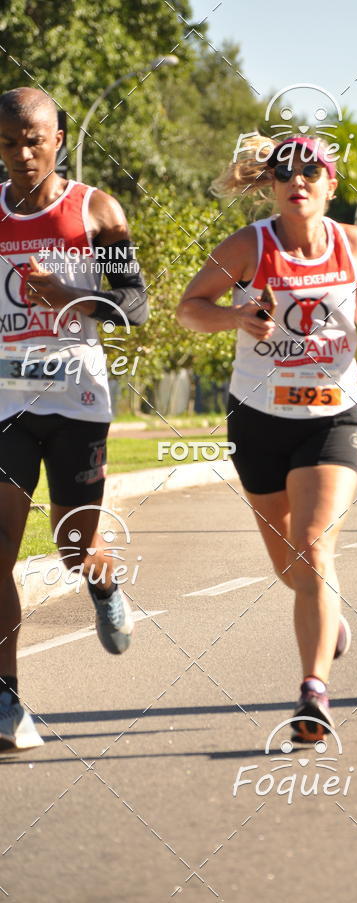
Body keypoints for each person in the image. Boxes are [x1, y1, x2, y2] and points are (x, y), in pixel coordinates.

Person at [177, 134, 357, 742]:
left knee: (312, 548)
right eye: (285, 173)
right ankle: (328, 620)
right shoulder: (249, 246)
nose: (297, 181)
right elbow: (189, 308)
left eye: (310, 171)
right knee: (291, 567)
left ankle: (313, 694)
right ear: (272, 187)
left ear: (331, 184)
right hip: (258, 418)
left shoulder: (352, 242)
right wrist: (234, 317)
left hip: (331, 415)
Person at [0, 87, 148, 751]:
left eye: (34, 141)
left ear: (58, 139)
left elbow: (134, 306)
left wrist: (70, 295)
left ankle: (103, 582)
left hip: (76, 401)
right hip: (7, 401)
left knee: (72, 546)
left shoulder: (96, 211)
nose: (22, 154)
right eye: (8, 143)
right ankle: (6, 698)